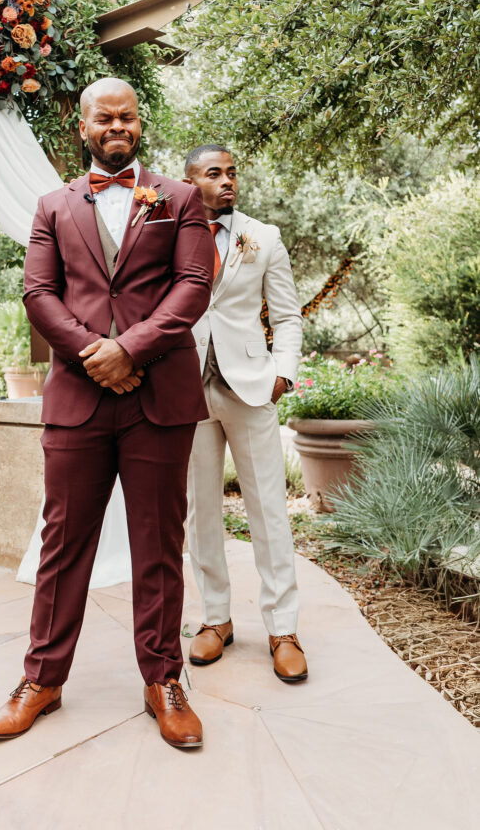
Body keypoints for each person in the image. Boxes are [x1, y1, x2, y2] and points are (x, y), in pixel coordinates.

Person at [0, 78, 214, 748]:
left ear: (140, 124)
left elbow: (193, 283)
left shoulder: (180, 198)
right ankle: (42, 681)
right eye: (103, 117)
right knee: (63, 545)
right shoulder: (53, 204)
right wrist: (94, 353)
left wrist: (131, 348)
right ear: (82, 128)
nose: (117, 126)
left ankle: (162, 680)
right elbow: (37, 291)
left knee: (159, 547)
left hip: (158, 398)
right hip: (78, 398)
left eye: (128, 116)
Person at [183, 144, 308, 682]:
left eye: (232, 172)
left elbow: (287, 314)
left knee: (269, 512)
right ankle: (216, 620)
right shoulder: (168, 230)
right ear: (190, 181)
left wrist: (283, 370)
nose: (228, 181)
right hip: (184, 389)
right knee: (199, 512)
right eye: (215, 173)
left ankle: (283, 628)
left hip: (252, 388)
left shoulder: (266, 236)